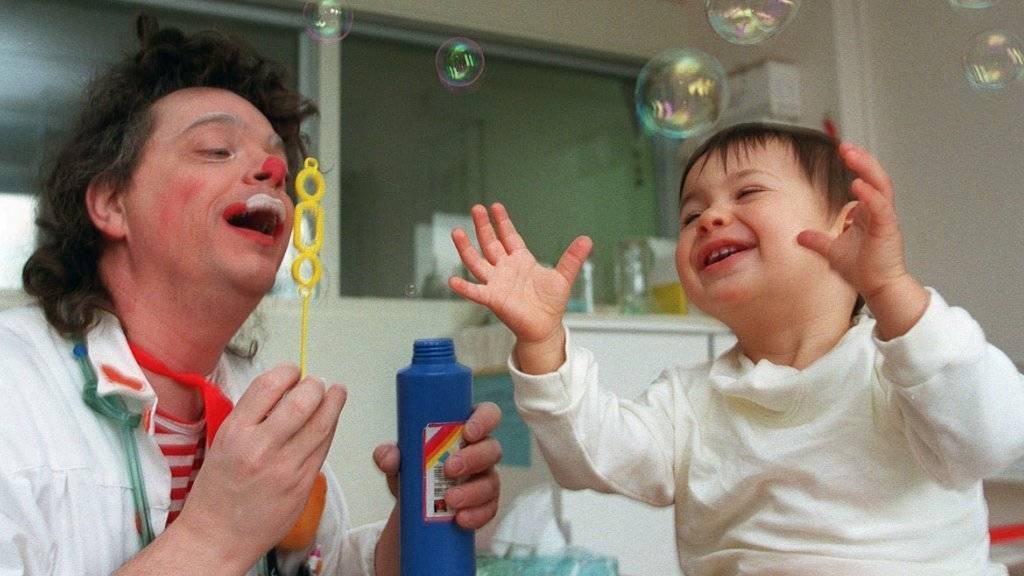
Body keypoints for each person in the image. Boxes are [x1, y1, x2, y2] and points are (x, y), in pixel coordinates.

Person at [0, 15, 502, 576]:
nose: (269, 172)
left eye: (280, 172)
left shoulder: (253, 398)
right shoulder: (12, 392)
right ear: (112, 202)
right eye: (217, 150)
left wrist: (419, 519)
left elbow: (323, 567)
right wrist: (216, 536)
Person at [448, 122, 1024, 575]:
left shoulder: (902, 365)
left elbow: (988, 438)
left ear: (849, 230)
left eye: (747, 191)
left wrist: (894, 292)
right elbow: (588, 458)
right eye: (692, 214)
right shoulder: (691, 400)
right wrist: (543, 339)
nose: (711, 217)